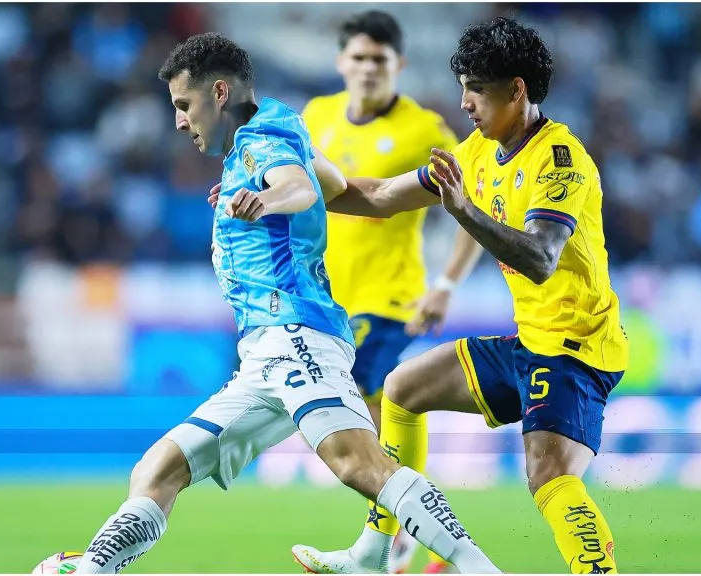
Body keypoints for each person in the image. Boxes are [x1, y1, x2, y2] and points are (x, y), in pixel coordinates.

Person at [70, 32, 500, 575]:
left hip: (294, 335)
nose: (180, 121)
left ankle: (479, 569)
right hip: (263, 356)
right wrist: (425, 183)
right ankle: (91, 568)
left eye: (184, 105)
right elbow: (342, 187)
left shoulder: (258, 142)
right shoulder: (281, 124)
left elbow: (296, 187)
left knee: (357, 464)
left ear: (219, 92)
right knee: (159, 468)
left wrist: (265, 199)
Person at [293, 17, 628, 574]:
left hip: (576, 349)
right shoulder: (475, 153)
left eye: (476, 87)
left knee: (548, 476)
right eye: (463, 86)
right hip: (531, 340)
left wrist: (465, 212)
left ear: (516, 89)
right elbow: (377, 195)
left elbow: (543, 258)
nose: (465, 102)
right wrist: (292, 190)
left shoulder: (559, 159)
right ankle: (378, 552)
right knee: (402, 388)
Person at [301, 11, 484, 573]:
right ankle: (424, 539)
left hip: (391, 298)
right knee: (382, 414)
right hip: (326, 297)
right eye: (357, 58)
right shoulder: (316, 115)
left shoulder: (424, 129)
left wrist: (447, 283)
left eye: (379, 59)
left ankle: (393, 540)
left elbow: (471, 205)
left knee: (365, 405)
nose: (367, 69)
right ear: (340, 63)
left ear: (398, 65)